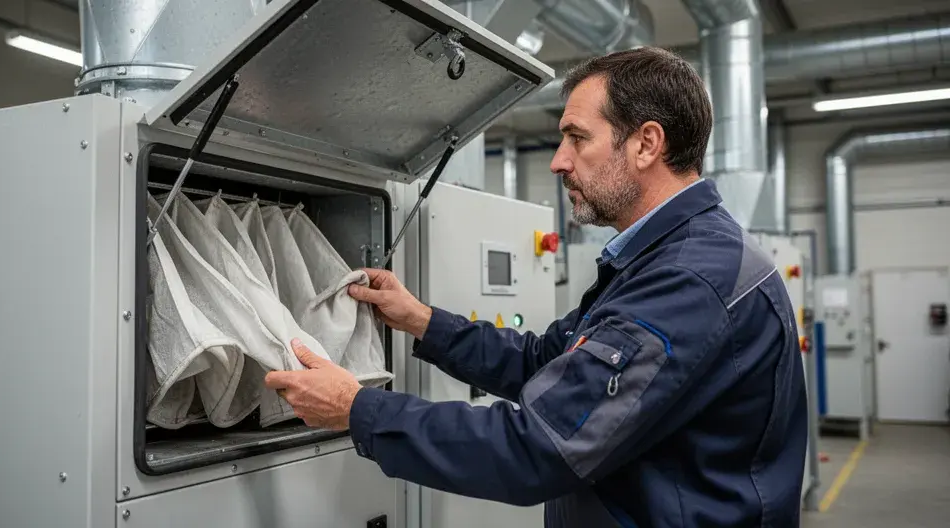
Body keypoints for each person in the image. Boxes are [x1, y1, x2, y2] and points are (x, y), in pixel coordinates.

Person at [264, 47, 808, 527]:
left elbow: (538, 449)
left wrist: (357, 409)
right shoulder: (658, 259)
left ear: (646, 144)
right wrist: (421, 320)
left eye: (577, 138)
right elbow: (546, 360)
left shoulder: (689, 280)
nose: (558, 161)